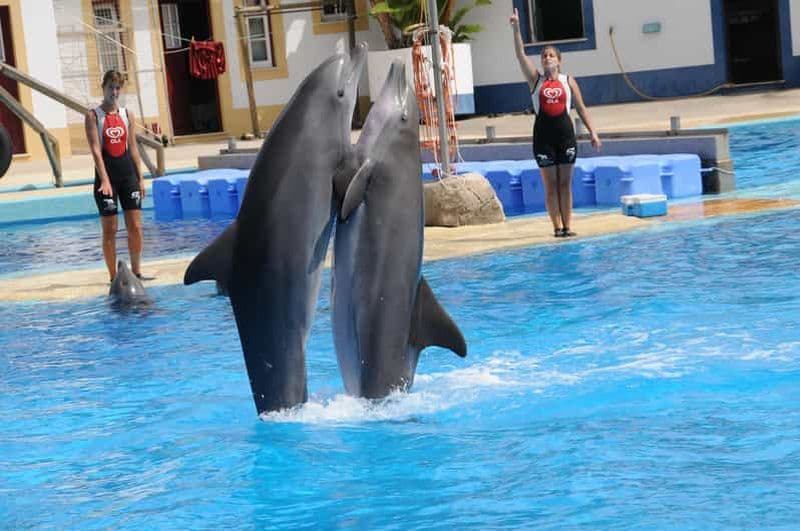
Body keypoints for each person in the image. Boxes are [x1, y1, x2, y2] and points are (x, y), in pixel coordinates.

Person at [510, 8, 601, 237]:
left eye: (551, 55)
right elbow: (521, 54)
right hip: (543, 139)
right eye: (543, 56)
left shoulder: (569, 81)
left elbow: (580, 107)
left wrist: (593, 132)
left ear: (559, 61)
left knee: (564, 184)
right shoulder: (535, 81)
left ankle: (568, 226)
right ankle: (556, 227)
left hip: (565, 137)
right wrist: (516, 29)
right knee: (550, 184)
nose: (547, 58)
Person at [85, 70, 146, 282]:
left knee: (135, 227)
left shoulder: (127, 114)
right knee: (110, 230)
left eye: (117, 87)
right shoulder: (93, 116)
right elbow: (95, 150)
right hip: (107, 180)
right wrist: (104, 180)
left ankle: (137, 272)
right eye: (110, 87)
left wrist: (141, 179)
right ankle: (113, 277)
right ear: (103, 88)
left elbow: (134, 149)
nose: (114, 91)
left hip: (128, 176)